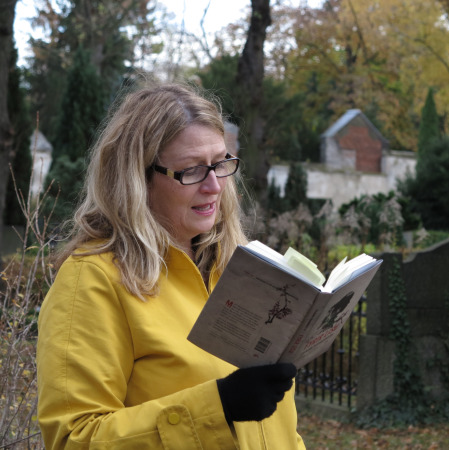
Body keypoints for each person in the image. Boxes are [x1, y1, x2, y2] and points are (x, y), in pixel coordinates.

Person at [36, 82, 305, 449]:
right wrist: (219, 407)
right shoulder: (94, 280)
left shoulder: (240, 270)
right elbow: (74, 438)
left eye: (220, 163)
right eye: (191, 170)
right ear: (138, 179)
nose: (214, 186)